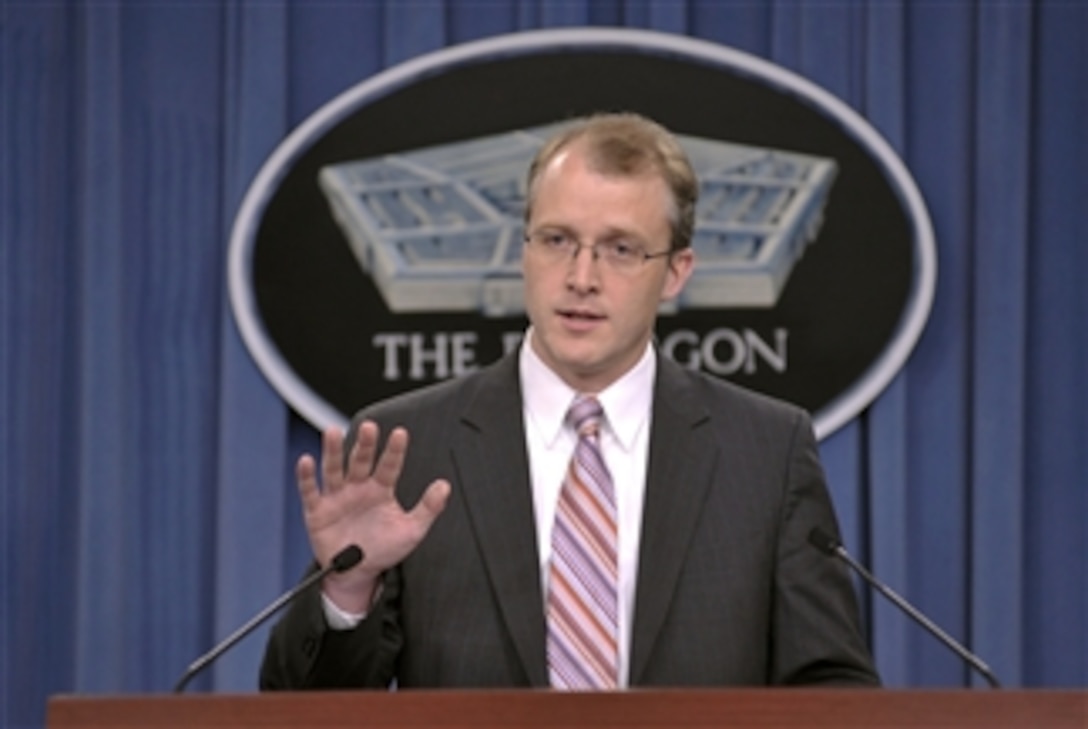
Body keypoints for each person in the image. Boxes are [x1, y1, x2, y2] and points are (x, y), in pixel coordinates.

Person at [259, 112, 879, 689]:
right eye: (557, 240)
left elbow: (832, 688)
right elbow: (307, 708)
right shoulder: (410, 446)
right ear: (524, 249)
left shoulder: (765, 453)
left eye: (621, 249)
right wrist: (349, 590)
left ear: (676, 272)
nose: (582, 277)